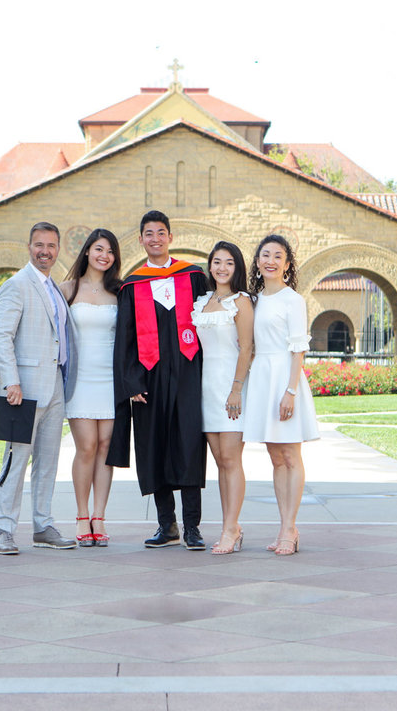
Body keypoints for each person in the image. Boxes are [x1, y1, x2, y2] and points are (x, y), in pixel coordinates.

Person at [109, 210, 210, 550]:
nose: (155, 238)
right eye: (148, 234)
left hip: (188, 375)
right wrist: (131, 382)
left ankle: (193, 527)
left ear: (170, 237)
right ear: (141, 240)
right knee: (155, 447)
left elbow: (210, 328)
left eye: (161, 232)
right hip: (148, 378)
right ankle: (167, 525)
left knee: (188, 446)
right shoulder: (131, 285)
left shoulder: (194, 276)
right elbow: (124, 339)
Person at [0, 222, 79, 555]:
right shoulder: (17, 285)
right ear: (29, 247)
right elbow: (1, 336)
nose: (45, 251)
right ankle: (5, 529)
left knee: (48, 461)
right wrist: (11, 380)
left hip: (55, 385)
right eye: (39, 245)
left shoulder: (52, 286)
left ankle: (43, 526)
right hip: (22, 389)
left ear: (58, 249)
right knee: (16, 459)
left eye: (51, 245)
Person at [243, 234, 319, 556]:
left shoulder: (293, 300)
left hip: (285, 379)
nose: (270, 260)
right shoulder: (253, 299)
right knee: (276, 458)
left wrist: (290, 391)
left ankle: (290, 527)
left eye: (278, 256)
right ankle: (283, 524)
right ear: (258, 262)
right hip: (262, 377)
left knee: (291, 456)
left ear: (287, 264)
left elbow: (298, 348)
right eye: (265, 255)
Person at [59, 228, 122, 546]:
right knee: (86, 447)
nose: (104, 255)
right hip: (80, 379)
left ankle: (100, 515)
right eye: (99, 249)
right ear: (87, 251)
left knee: (106, 447)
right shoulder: (67, 289)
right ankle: (82, 516)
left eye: (110, 251)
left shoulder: (120, 291)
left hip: (111, 379)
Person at [191, 241, 254, 555]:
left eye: (229, 263)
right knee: (220, 462)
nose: (222, 268)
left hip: (232, 389)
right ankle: (232, 526)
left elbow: (247, 348)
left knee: (232, 460)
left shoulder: (241, 302)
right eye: (217, 262)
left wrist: (236, 389)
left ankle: (231, 528)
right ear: (210, 265)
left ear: (237, 267)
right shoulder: (203, 301)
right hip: (206, 388)